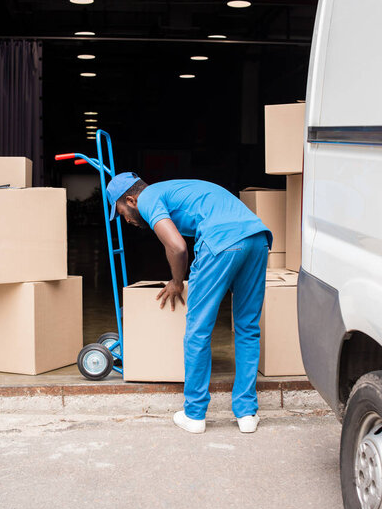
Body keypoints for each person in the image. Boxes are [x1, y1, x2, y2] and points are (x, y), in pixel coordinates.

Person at [106, 172, 272, 434]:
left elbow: (177, 247)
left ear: (131, 199)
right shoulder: (172, 190)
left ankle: (194, 414)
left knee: (198, 330)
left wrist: (176, 281)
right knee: (248, 327)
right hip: (257, 239)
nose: (126, 220)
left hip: (221, 244)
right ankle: (247, 414)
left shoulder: (148, 199)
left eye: (122, 212)